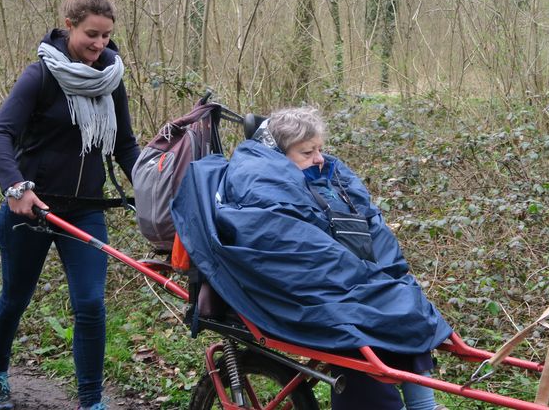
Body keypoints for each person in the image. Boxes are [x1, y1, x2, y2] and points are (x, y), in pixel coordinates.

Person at [171, 107, 450, 410]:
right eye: (307, 152)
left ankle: (422, 403)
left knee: (402, 298)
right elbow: (293, 248)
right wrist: (363, 278)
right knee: (362, 323)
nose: (319, 158)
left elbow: (365, 232)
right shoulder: (260, 180)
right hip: (292, 293)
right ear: (278, 154)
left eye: (320, 149)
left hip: (334, 280)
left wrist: (384, 275)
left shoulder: (319, 180)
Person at [0, 0, 140, 410]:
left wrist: (154, 187)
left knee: (91, 303)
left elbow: (125, 147)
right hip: (33, 210)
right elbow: (1, 132)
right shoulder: (39, 76)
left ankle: (91, 401)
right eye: (91, 34)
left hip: (85, 212)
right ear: (69, 27)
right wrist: (16, 186)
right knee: (15, 298)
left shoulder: (111, 80)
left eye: (106, 36)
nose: (99, 44)